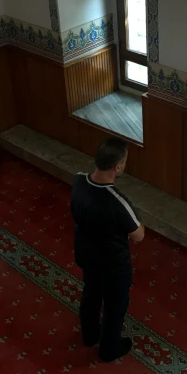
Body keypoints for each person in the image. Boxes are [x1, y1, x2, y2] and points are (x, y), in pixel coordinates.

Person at [71, 136, 145, 361]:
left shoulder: (78, 181)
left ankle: (89, 335)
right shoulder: (117, 201)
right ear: (118, 167)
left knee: (91, 293)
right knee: (115, 306)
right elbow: (138, 235)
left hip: (85, 254)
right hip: (113, 265)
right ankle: (109, 349)